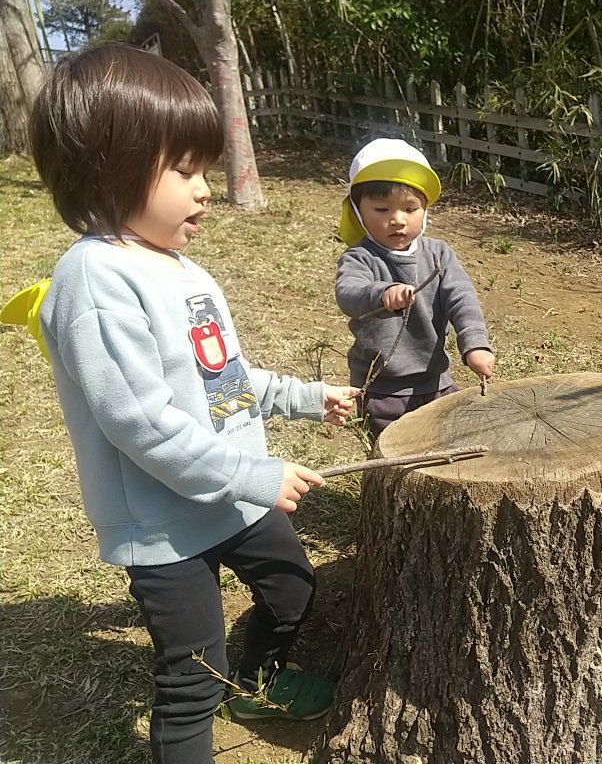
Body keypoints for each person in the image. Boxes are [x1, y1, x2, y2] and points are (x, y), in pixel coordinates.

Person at [25, 44, 362, 764]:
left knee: (294, 590)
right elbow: (139, 422)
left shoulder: (181, 269)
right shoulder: (93, 278)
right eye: (183, 170)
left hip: (233, 493)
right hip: (164, 521)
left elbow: (225, 381)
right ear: (104, 163)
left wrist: (307, 398)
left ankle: (259, 678)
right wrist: (255, 478)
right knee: (191, 674)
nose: (204, 189)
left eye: (203, 169)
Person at [334, 138, 495, 438]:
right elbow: (348, 293)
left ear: (426, 210)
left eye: (410, 209)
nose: (397, 220)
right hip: (383, 388)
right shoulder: (360, 258)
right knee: (391, 455)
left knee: (450, 443)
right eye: (382, 209)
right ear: (358, 212)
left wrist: (475, 344)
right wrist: (381, 294)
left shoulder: (438, 255)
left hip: (436, 381)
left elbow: (462, 299)